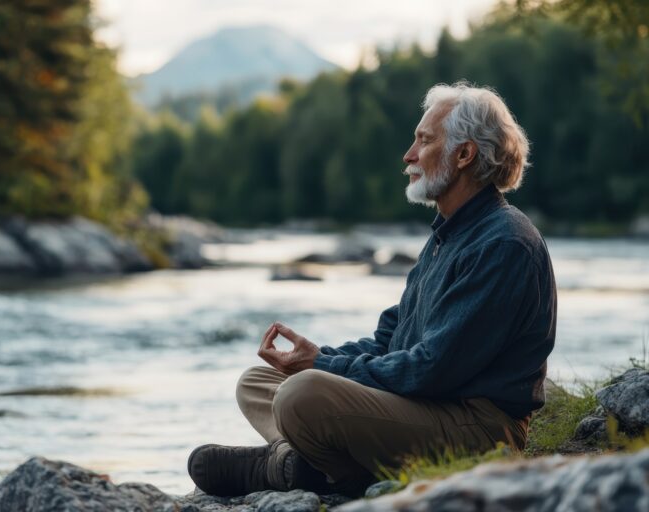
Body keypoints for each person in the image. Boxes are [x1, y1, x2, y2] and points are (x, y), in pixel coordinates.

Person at [187, 82, 557, 497]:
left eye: (423, 140)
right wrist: (318, 356)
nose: (409, 155)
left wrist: (321, 368)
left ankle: (301, 467)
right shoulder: (447, 236)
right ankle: (300, 464)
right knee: (258, 381)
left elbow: (431, 371)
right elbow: (390, 340)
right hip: (430, 407)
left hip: (477, 429)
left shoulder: (503, 244)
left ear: (464, 154)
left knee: (300, 394)